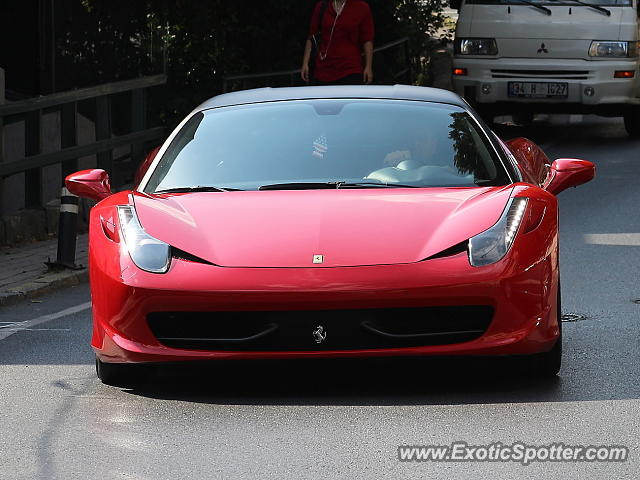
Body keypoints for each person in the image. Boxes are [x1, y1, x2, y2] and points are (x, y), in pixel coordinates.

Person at [301, 0, 374, 86]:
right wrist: (305, 63)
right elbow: (312, 36)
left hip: (350, 69)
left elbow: (367, 40)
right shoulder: (322, 6)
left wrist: (368, 66)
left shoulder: (362, 7)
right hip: (323, 69)